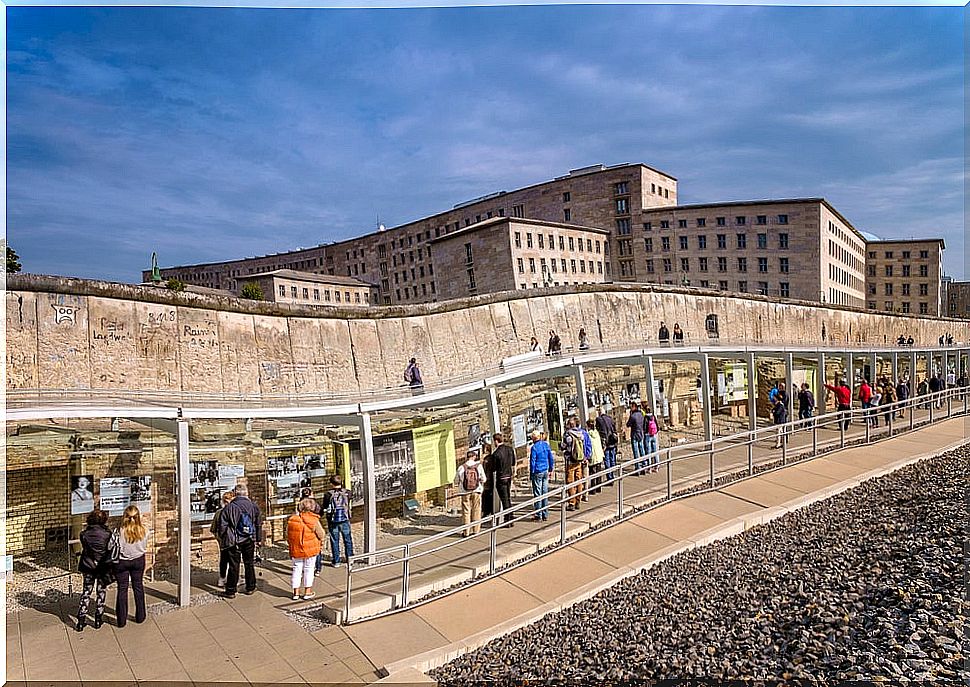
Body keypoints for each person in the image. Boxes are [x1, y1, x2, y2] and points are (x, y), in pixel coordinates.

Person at [217, 483, 263, 598]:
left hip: (234, 540)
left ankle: (231, 590)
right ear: (246, 493)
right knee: (249, 563)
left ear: (235, 494)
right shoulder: (254, 506)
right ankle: (250, 587)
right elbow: (258, 524)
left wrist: (224, 538)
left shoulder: (229, 508)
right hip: (249, 539)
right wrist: (258, 539)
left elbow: (222, 526)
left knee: (234, 565)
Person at [76, 509, 114, 631]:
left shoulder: (83, 534)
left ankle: (81, 619)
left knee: (86, 592)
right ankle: (98, 618)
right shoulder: (108, 534)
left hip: (88, 565)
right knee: (101, 592)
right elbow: (109, 549)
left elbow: (85, 548)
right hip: (102, 566)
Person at [115, 505, 149, 627]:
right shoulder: (145, 530)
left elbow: (117, 547)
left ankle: (121, 620)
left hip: (122, 561)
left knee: (122, 589)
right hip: (138, 560)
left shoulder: (120, 531)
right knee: (138, 587)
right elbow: (145, 546)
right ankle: (140, 616)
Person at [286, 498, 324, 600]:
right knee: (309, 569)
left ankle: (296, 593)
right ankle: (308, 591)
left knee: (296, 569)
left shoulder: (292, 519)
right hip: (311, 549)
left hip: (296, 549)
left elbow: (288, 536)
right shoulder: (314, 520)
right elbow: (321, 534)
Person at [321, 476, 353, 565]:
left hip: (333, 521)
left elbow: (325, 506)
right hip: (345, 519)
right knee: (348, 540)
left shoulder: (328, 494)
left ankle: (336, 561)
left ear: (331, 484)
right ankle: (350, 559)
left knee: (335, 540)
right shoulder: (348, 492)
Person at [454, 450, 487, 535]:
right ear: (474, 457)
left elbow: (456, 481)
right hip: (477, 491)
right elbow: (484, 479)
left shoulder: (461, 467)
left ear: (467, 457)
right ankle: (476, 531)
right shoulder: (478, 466)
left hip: (465, 492)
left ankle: (466, 532)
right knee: (476, 510)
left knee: (466, 511)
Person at [561, 417, 589, 511]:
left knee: (570, 482)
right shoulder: (580, 433)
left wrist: (561, 446)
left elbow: (564, 446)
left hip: (570, 461)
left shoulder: (568, 434)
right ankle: (578, 501)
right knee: (579, 480)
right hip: (579, 460)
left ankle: (571, 503)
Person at [210, 490, 235, 587]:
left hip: (223, 541)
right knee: (233, 561)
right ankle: (231, 579)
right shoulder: (233, 511)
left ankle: (222, 577)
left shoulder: (218, 513)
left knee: (224, 559)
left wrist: (219, 538)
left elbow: (213, 529)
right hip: (232, 540)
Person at [491, 433, 516, 526]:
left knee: (504, 499)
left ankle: (508, 519)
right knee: (508, 498)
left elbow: (493, 468)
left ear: (496, 441)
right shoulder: (510, 449)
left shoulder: (496, 454)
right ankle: (510, 516)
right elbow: (513, 462)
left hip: (501, 478)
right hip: (509, 476)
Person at [528, 432, 554, 521]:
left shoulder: (534, 448)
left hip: (537, 471)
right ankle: (545, 514)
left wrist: (531, 473)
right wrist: (551, 468)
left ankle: (538, 514)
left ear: (534, 438)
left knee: (538, 494)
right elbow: (550, 457)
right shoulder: (546, 445)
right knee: (545, 493)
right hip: (545, 470)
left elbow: (532, 462)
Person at [299, 487, 325, 574]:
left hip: (303, 531)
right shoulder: (314, 504)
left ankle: (305, 568)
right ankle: (317, 568)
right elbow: (321, 512)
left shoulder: (300, 503)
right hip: (314, 527)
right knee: (317, 550)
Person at [594, 411, 618, 483]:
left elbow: (598, 430)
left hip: (605, 442)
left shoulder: (598, 419)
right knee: (612, 459)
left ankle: (610, 477)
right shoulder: (610, 418)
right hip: (612, 440)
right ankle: (613, 475)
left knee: (607, 460)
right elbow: (614, 428)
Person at [626, 402, 647, 476]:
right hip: (641, 433)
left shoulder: (633, 416)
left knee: (636, 452)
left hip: (634, 434)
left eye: (631, 407)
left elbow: (628, 424)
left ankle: (638, 468)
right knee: (642, 450)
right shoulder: (641, 414)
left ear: (633, 407)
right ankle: (644, 466)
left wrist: (630, 415)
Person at [585, 419, 605, 494]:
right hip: (599, 455)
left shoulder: (588, 435)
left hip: (593, 455)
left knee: (593, 473)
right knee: (598, 471)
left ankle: (593, 489)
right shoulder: (596, 433)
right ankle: (599, 487)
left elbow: (588, 446)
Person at [643, 406, 661, 473]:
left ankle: (649, 468)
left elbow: (644, 427)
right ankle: (657, 466)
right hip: (654, 435)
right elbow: (657, 426)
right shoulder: (653, 416)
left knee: (648, 452)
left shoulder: (645, 418)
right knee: (655, 451)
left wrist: (645, 433)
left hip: (648, 435)